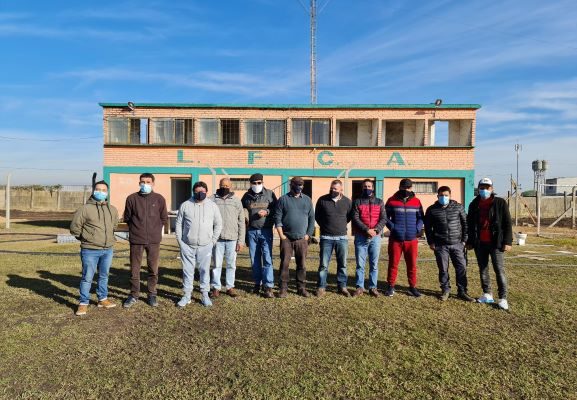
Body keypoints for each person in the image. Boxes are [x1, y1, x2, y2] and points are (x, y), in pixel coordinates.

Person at [70, 181, 119, 316]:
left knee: (104, 276)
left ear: (107, 192)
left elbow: (115, 225)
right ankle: (83, 303)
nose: (101, 192)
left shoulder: (112, 209)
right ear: (93, 190)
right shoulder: (84, 209)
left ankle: (102, 299)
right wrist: (86, 238)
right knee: (87, 277)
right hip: (90, 250)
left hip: (107, 249)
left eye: (104, 190)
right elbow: (75, 228)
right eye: (98, 189)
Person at [122, 173, 168, 308]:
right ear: (139, 183)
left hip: (154, 241)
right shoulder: (131, 198)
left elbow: (164, 218)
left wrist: (155, 230)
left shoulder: (159, 199)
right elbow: (128, 218)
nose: (145, 184)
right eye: (142, 182)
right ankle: (134, 295)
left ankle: (152, 294)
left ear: (153, 183)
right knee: (134, 270)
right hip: (136, 240)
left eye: (148, 182)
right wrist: (136, 230)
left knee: (153, 269)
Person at [466, 177, 513, 310]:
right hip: (480, 243)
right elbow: (470, 224)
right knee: (483, 269)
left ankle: (503, 298)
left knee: (499, 270)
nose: (484, 190)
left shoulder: (500, 203)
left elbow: (507, 223)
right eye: (482, 188)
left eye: (487, 188)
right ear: (478, 189)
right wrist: (470, 241)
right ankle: (487, 294)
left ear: (492, 189)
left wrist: (507, 241)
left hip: (496, 243)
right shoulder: (474, 204)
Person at [175, 181, 223, 308]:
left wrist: (212, 241)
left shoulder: (212, 206)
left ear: (206, 192)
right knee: (187, 271)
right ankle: (186, 295)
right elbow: (179, 223)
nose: (199, 194)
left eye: (202, 192)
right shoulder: (185, 205)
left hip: (205, 245)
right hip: (187, 245)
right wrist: (180, 242)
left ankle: (204, 295)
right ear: (193, 192)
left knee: (204, 271)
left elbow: (218, 224)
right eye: (197, 192)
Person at [425, 186, 475, 302]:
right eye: (441, 195)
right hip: (440, 245)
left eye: (446, 195)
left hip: (457, 244)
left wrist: (464, 241)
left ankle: (462, 291)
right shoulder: (431, 210)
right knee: (443, 269)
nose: (444, 197)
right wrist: (431, 242)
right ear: (437, 196)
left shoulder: (458, 207)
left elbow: (466, 224)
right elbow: (428, 228)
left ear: (450, 195)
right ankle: (445, 290)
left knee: (461, 267)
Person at [275, 176, 315, 298]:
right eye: (297, 184)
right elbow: (277, 217)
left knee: (301, 264)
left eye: (301, 185)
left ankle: (301, 288)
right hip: (286, 238)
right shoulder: (283, 199)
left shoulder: (307, 200)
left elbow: (311, 219)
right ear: (291, 185)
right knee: (285, 264)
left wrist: (308, 235)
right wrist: (281, 235)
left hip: (302, 239)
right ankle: (283, 288)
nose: (299, 187)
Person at [384, 178, 425, 297]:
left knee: (412, 264)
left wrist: (417, 229)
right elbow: (385, 217)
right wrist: (393, 227)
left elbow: (421, 217)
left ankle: (412, 287)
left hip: (411, 239)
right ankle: (390, 286)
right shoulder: (391, 201)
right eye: (403, 187)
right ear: (399, 187)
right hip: (396, 239)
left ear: (411, 188)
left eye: (408, 188)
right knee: (393, 263)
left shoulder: (417, 201)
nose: (405, 190)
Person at [241, 173, 277, 298]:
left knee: (267, 259)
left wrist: (267, 211)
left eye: (259, 182)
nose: (257, 185)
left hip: (266, 231)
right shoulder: (246, 196)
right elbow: (242, 211)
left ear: (262, 182)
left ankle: (268, 286)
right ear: (250, 183)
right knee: (254, 260)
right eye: (254, 183)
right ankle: (257, 283)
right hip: (251, 232)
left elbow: (276, 210)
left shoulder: (270, 194)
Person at [315, 179, 353, 297]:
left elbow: (349, 217)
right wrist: (326, 226)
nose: (333, 190)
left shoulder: (347, 202)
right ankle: (321, 286)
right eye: (332, 188)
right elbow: (317, 216)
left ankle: (342, 286)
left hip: (342, 237)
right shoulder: (322, 200)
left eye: (335, 189)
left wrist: (339, 226)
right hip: (326, 237)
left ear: (341, 189)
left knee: (342, 264)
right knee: (323, 265)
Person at [351, 179, 388, 297]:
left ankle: (373, 287)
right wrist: (366, 230)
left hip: (375, 237)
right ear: (362, 188)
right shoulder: (357, 202)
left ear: (373, 188)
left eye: (369, 186)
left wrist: (376, 230)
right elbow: (355, 218)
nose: (367, 188)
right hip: (361, 236)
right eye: (365, 186)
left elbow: (384, 218)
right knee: (360, 264)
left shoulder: (379, 202)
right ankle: (359, 287)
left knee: (374, 264)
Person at [210, 178, 245, 298]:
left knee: (231, 264)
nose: (224, 187)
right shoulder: (212, 199)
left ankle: (230, 287)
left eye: (227, 185)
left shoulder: (236, 201)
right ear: (219, 185)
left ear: (231, 187)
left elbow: (241, 222)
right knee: (217, 265)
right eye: (222, 185)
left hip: (232, 238)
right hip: (217, 239)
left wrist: (241, 241)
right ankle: (216, 287)